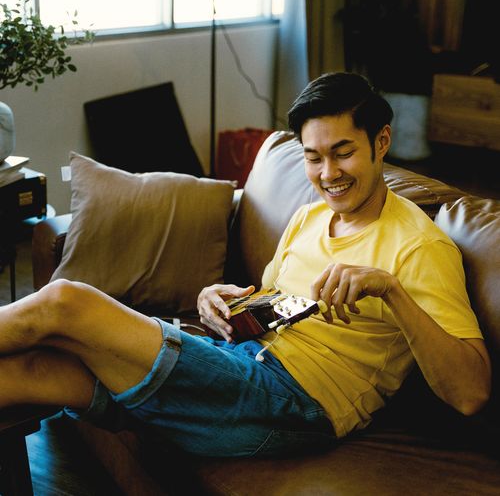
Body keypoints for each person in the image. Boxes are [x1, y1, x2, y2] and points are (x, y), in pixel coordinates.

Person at [0, 72, 491, 458]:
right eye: (313, 157)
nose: (328, 174)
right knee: (43, 370)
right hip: (245, 359)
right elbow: (274, 303)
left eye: (343, 153)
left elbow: (470, 394)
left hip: (301, 400)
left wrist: (391, 290)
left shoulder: (419, 247)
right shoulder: (310, 216)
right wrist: (219, 301)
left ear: (381, 142)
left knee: (66, 301)